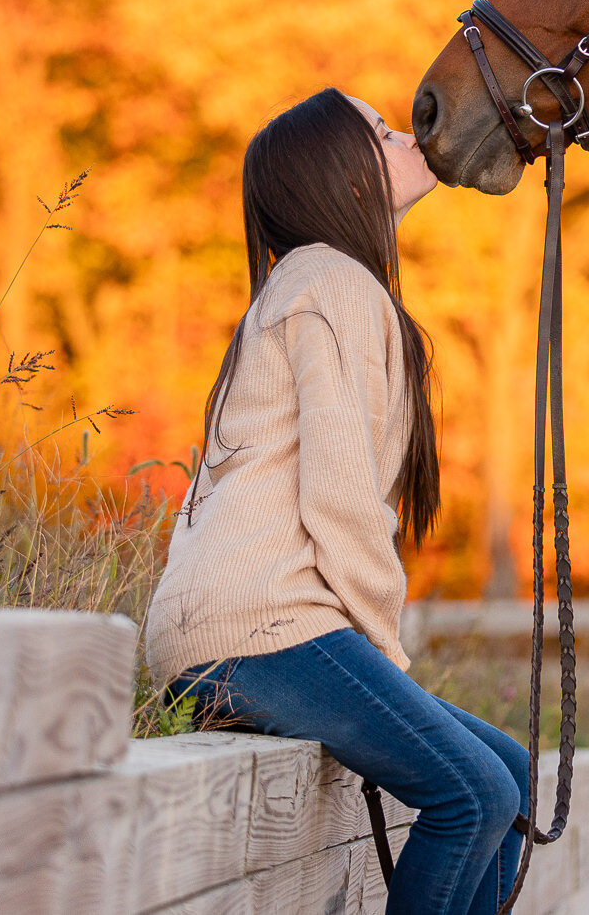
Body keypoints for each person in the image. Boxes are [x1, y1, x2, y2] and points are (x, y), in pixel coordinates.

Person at [144, 87, 530, 915]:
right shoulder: (331, 282)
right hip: (261, 630)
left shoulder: (311, 283)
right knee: (474, 795)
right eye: (383, 133)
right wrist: (387, 651)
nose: (406, 137)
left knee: (511, 775)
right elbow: (342, 499)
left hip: (252, 628)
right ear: (342, 174)